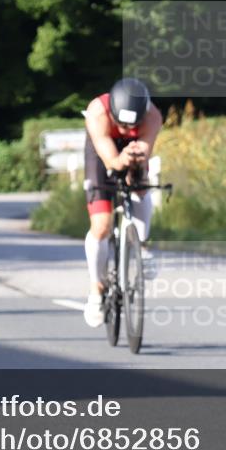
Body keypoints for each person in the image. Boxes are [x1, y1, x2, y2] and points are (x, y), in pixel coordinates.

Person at [82, 78, 163, 327]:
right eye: (122, 125)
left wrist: (135, 161)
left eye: (133, 126)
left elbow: (141, 158)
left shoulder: (152, 117)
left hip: (134, 150)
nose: (128, 131)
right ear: (113, 114)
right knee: (102, 226)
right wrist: (121, 160)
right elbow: (112, 164)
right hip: (102, 151)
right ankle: (97, 290)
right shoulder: (98, 112)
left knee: (140, 186)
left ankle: (141, 245)